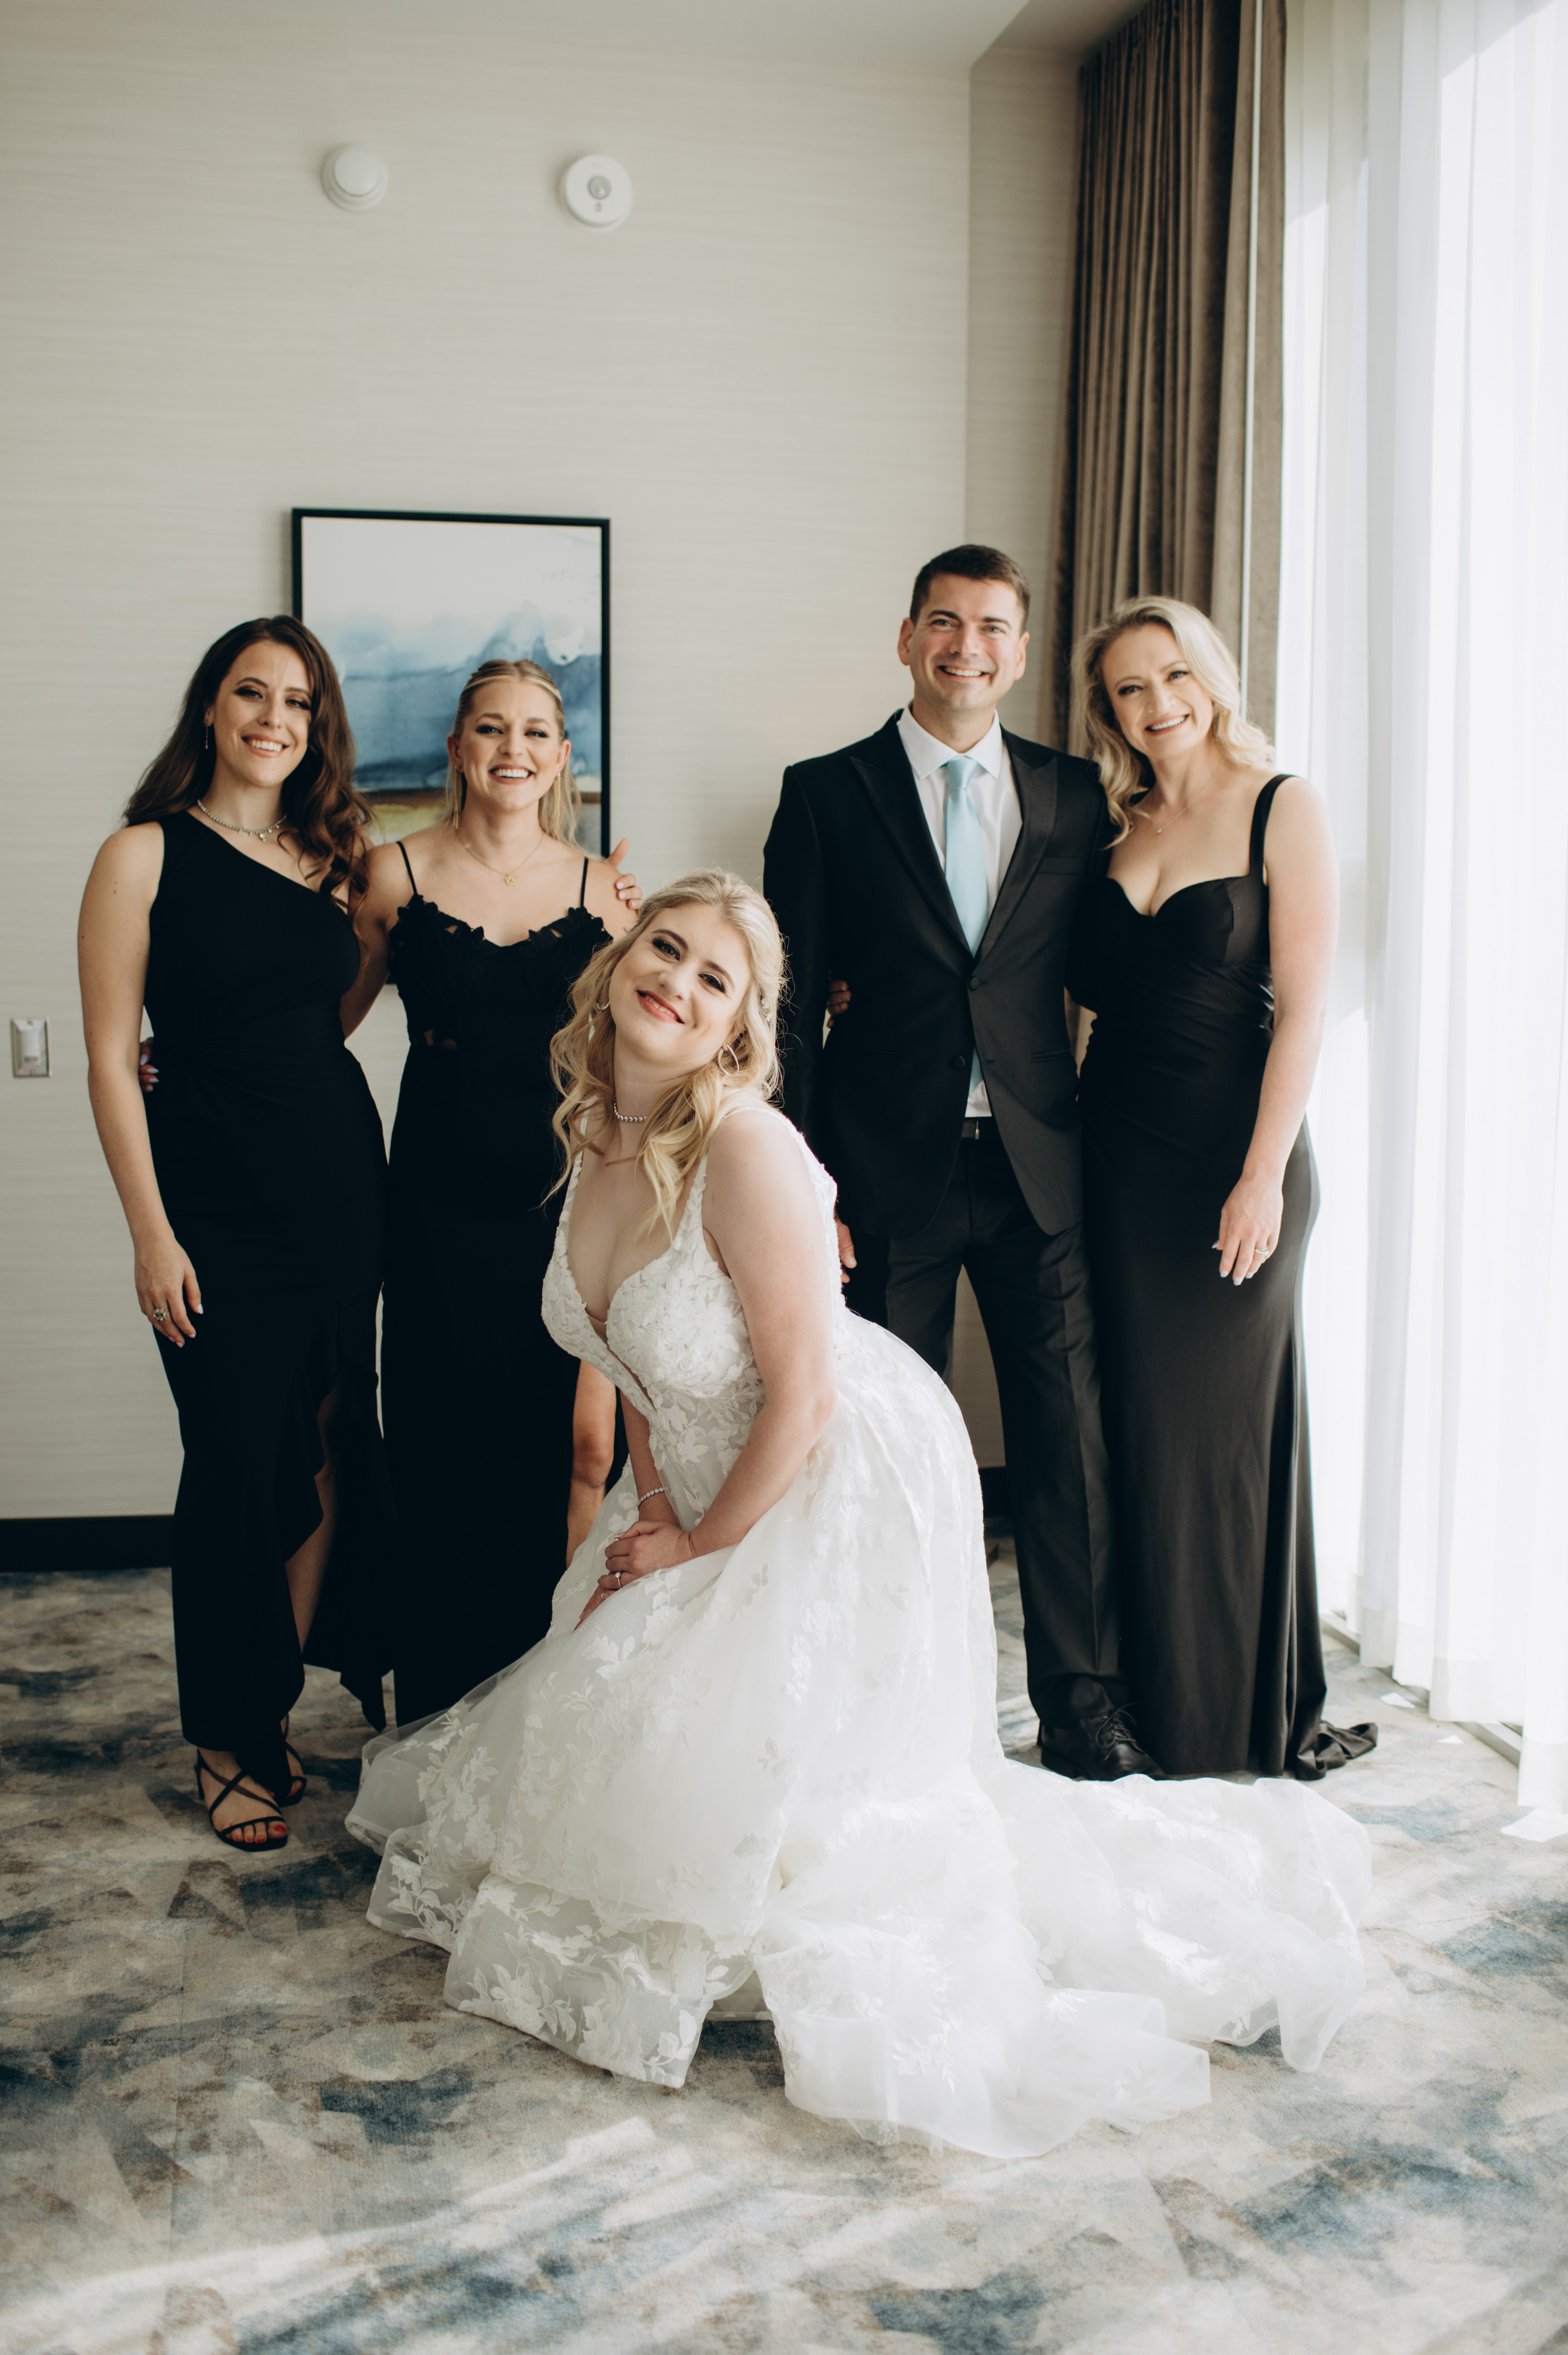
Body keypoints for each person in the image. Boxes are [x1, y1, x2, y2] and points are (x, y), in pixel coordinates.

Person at [346, 872, 1370, 2159]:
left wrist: (702, 1547)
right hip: (706, 1463)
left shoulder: (745, 1149)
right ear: (616, 963)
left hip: (836, 1469)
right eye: (664, 948)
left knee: (790, 1815)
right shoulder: (599, 1130)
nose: (676, 982)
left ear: (738, 1027)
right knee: (589, 1740)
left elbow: (806, 1395)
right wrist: (654, 1511)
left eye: (715, 979)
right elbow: (637, 1364)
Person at [762, 545, 1157, 1780]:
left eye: (991, 626)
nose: (965, 646)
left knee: (1067, 1448)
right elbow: (785, 1013)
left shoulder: (1074, 796)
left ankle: (1082, 1709)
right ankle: (890, 1711)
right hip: (882, 1175)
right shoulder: (824, 794)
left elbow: (1098, 964)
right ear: (906, 638)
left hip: (1040, 1165)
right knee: (883, 1450)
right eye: (944, 622)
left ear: (1021, 652)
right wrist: (803, 1189)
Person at [79, 617, 394, 1852]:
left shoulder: (333, 856)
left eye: (299, 702)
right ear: (210, 707)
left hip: (338, 1185)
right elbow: (112, 1060)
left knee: (321, 1445)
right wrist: (150, 1234)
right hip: (210, 1203)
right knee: (230, 1462)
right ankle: (222, 1735)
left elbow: (329, 1013)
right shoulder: (142, 854)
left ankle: (266, 1710)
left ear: (319, 726)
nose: (274, 719)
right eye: (252, 693)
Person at [1064, 597, 1377, 1780]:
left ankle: (1237, 1713)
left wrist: (1259, 1179)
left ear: (1211, 676)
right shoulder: (1108, 825)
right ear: (1109, 711)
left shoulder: (1279, 804)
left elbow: (1304, 1010)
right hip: (1114, 1164)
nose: (1158, 703)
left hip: (1234, 1162)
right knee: (1139, 1431)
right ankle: (1153, 1699)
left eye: (1174, 675)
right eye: (1130, 688)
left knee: (1224, 1436)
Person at [342, 659, 639, 1724]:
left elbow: (642, 1045)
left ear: (561, 758)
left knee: (554, 1448)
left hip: (559, 1204)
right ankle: (436, 1704)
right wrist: (190, 1052)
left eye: (535, 732)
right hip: (431, 1206)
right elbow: (319, 1022)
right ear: (458, 749)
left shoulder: (604, 891)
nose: (514, 748)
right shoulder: (390, 874)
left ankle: (526, 1701)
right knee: (434, 1443)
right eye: (491, 729)